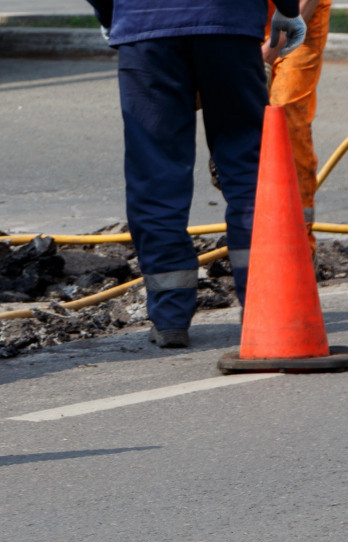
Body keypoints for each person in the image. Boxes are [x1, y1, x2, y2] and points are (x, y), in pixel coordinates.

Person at [107, 1, 306, 348]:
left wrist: (112, 16)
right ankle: (264, 303)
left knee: (155, 170)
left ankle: (170, 317)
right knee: (249, 169)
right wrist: (287, 9)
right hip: (229, 23)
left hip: (145, 24)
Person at [264, 0, 330, 254]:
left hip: (301, 16)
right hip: (245, 18)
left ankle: (298, 244)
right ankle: (255, 230)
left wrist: (270, 51)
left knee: (285, 116)